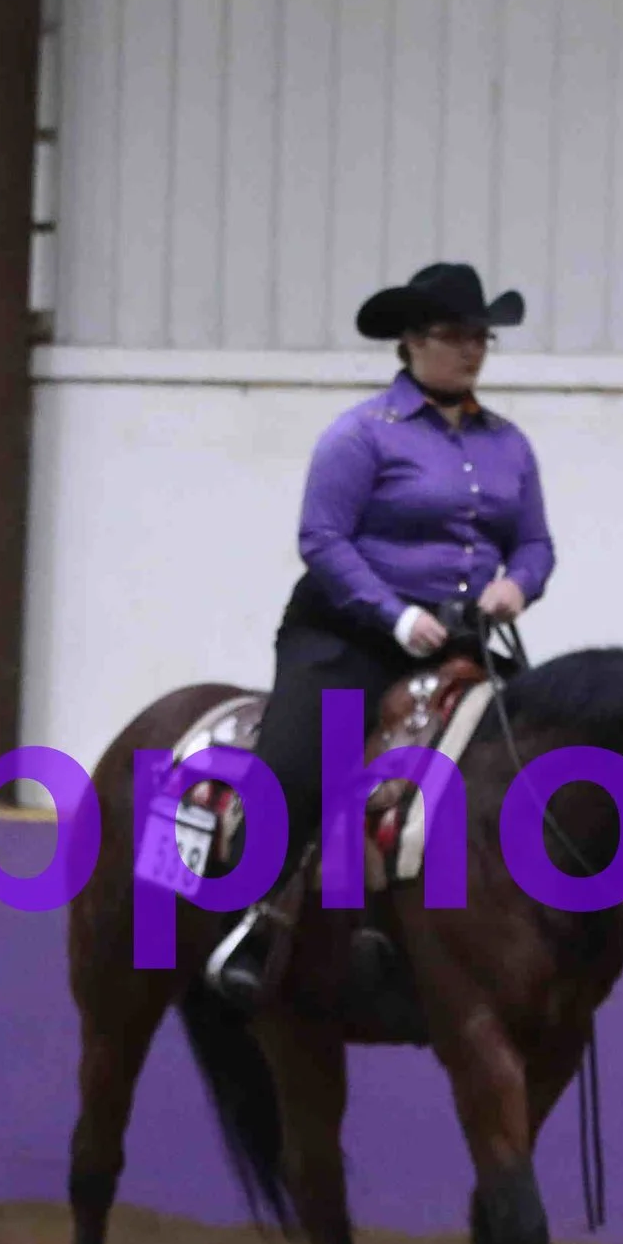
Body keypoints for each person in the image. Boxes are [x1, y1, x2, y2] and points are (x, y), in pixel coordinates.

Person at [205, 262, 556, 1009]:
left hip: (461, 640)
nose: (472, 350)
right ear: (411, 342)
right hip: (348, 634)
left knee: (526, 760)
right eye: (455, 336)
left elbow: (533, 543)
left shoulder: (510, 445)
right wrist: (395, 615)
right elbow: (322, 539)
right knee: (302, 762)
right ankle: (255, 922)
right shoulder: (361, 435)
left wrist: (517, 586)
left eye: (481, 337)